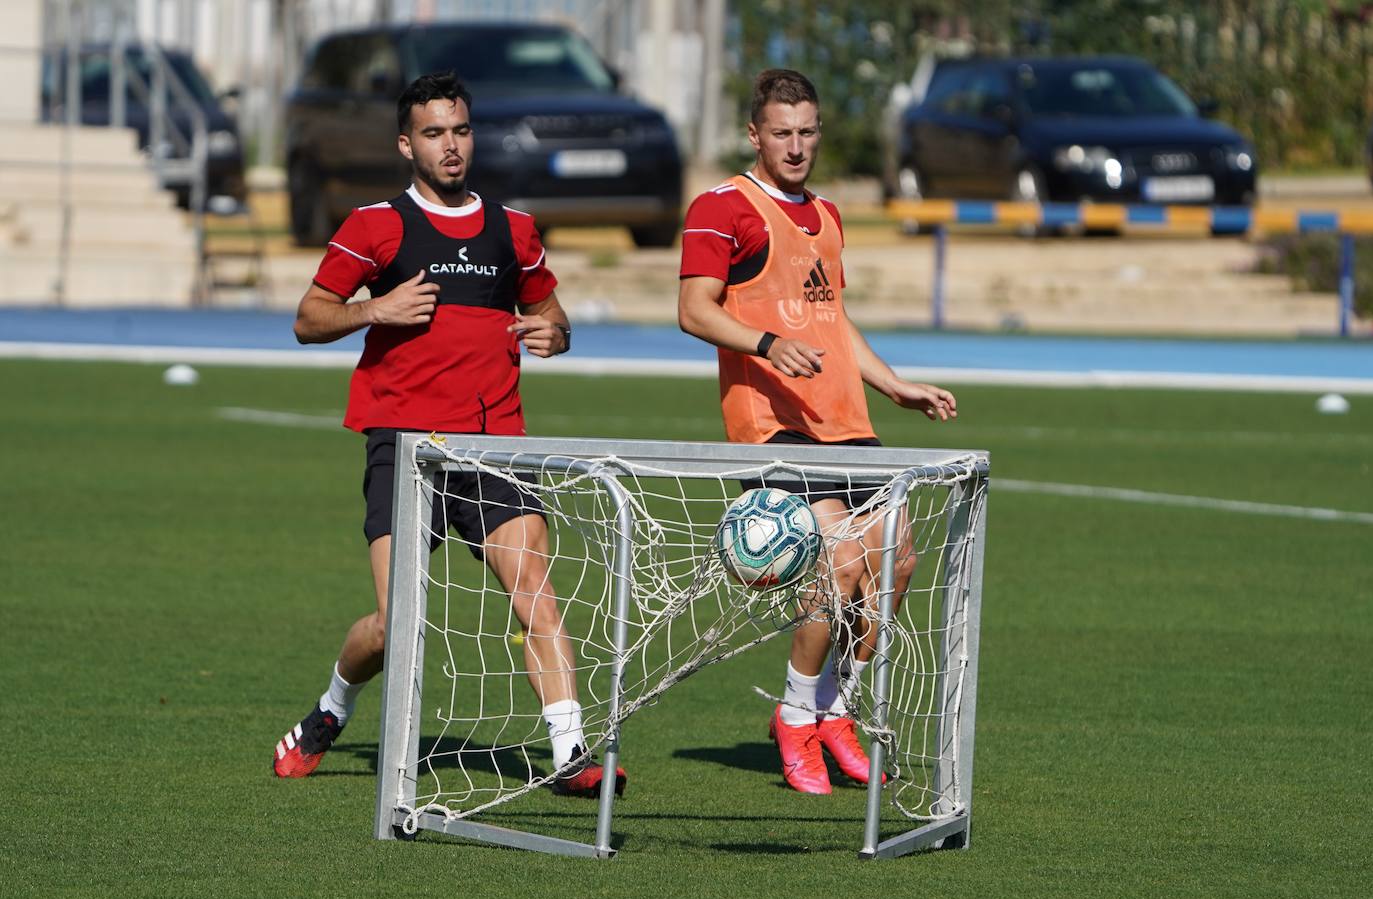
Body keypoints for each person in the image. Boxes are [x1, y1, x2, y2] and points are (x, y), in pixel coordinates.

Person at [271, 71, 624, 798]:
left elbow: (551, 314)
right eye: (434, 133)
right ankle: (332, 709)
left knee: (537, 595)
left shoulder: (513, 228)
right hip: (403, 448)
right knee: (393, 623)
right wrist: (378, 311)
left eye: (460, 130)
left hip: (493, 446)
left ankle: (570, 753)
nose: (451, 145)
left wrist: (554, 334)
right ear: (407, 143)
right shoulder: (375, 226)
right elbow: (309, 319)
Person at [678, 69, 957, 795]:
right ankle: (796, 715)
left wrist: (893, 384)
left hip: (845, 422)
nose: (796, 146)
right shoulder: (721, 208)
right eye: (781, 132)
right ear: (755, 134)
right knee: (837, 566)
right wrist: (767, 346)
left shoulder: (828, 215)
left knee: (895, 562)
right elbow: (694, 310)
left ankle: (837, 709)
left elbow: (831, 318)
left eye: (807, 131)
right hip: (773, 426)